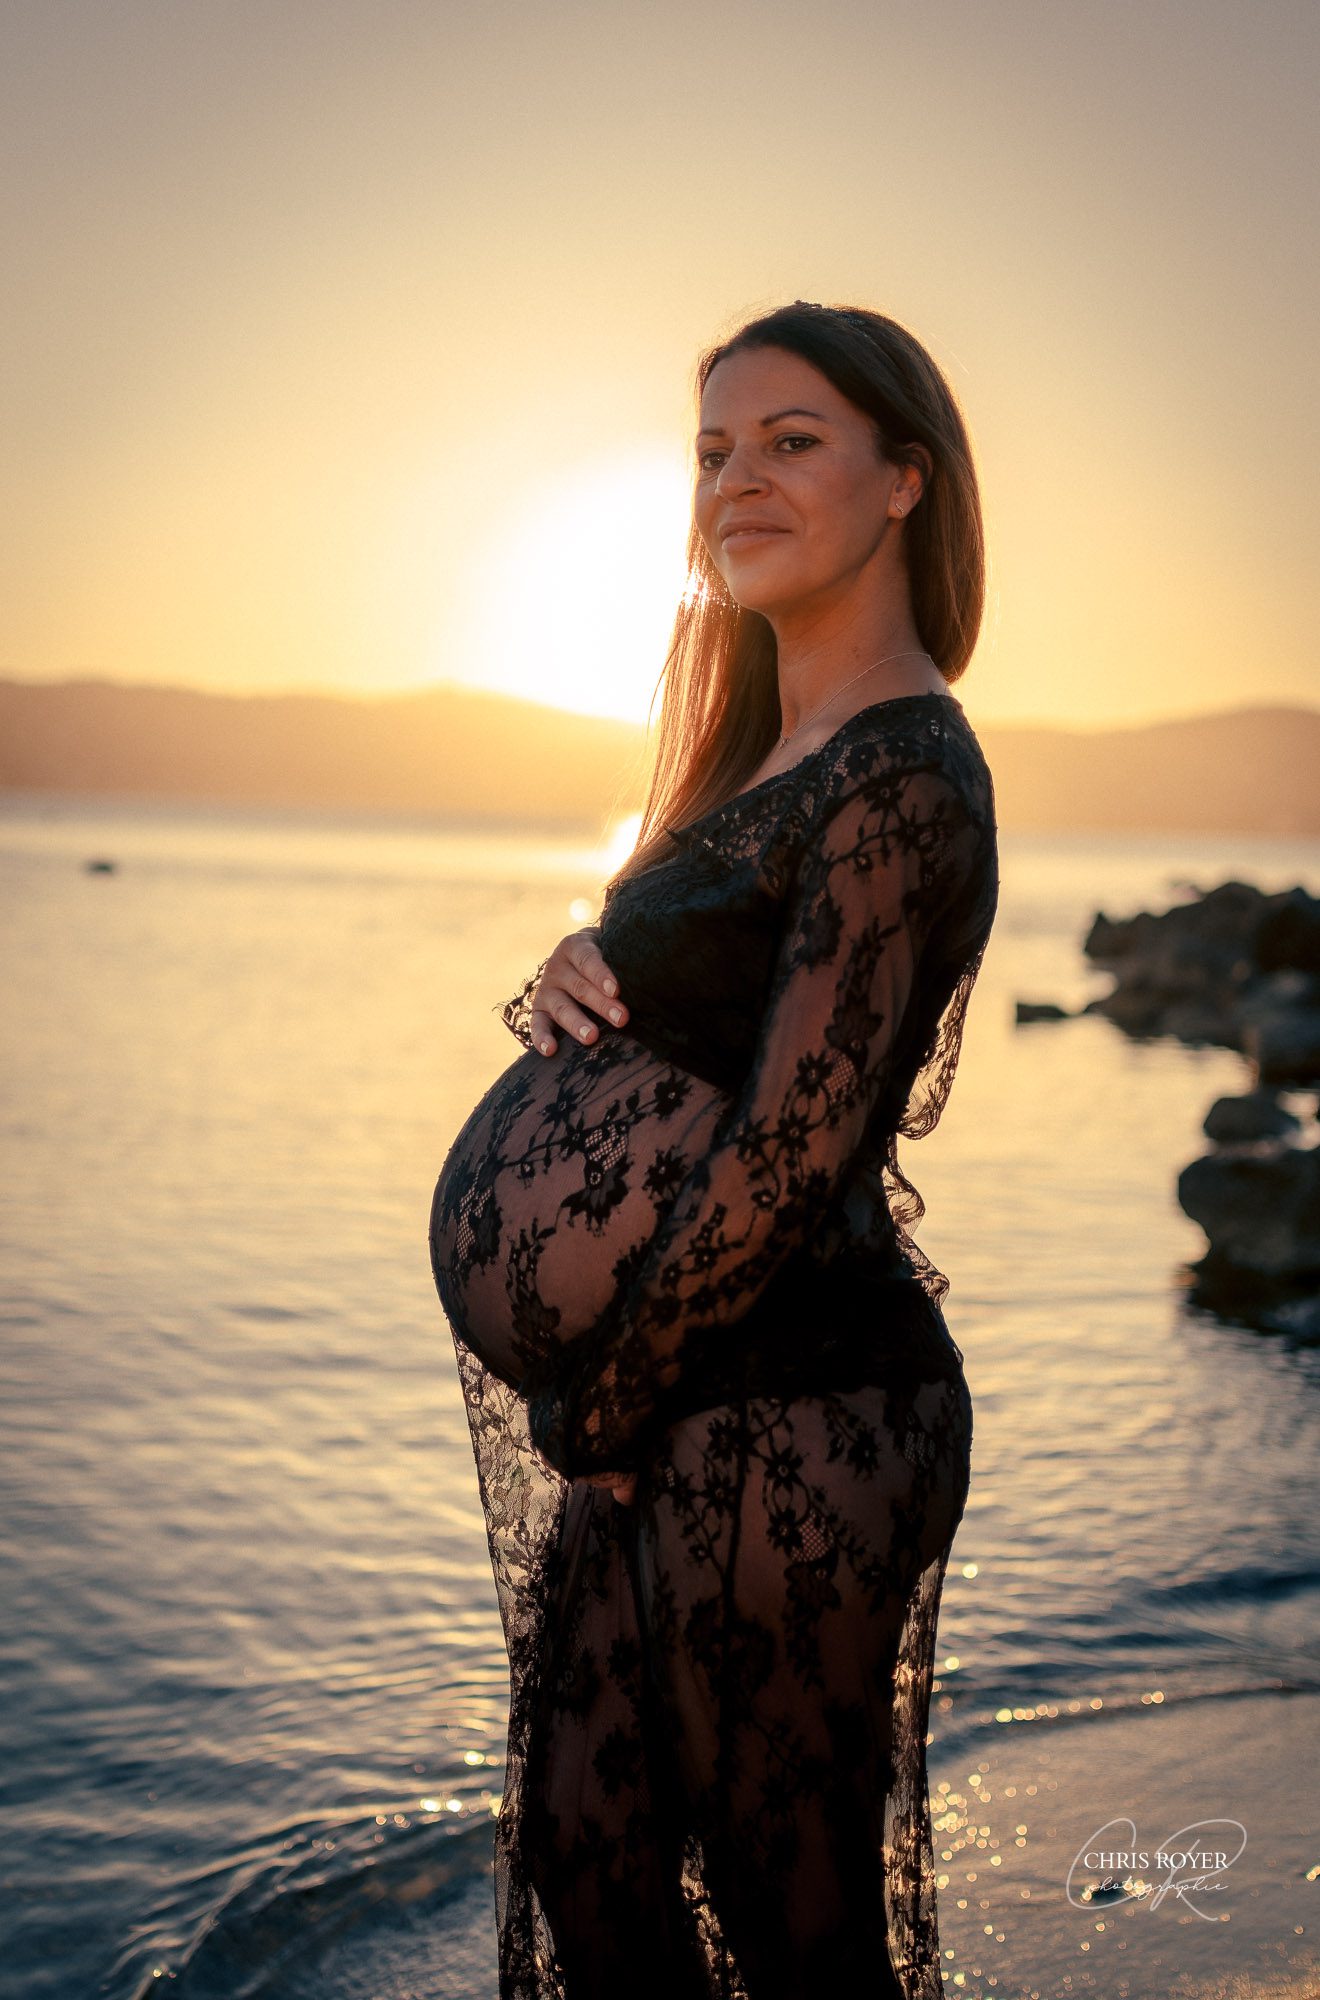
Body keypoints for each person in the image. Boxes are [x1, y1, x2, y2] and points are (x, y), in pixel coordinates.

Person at [428, 298, 999, 2000]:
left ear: (906, 479)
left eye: (790, 440)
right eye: (711, 451)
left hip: (795, 1409)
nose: (735, 480)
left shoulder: (906, 773)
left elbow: (796, 1147)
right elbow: (687, 1034)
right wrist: (568, 977)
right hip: (688, 1404)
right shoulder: (754, 757)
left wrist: (606, 1396)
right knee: (585, 1848)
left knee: (784, 1891)